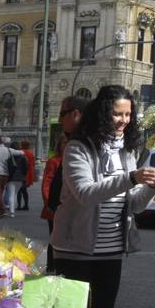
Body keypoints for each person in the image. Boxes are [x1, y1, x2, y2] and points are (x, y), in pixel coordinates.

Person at [49, 86, 155, 308]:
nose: (123, 120)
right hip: (74, 248)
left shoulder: (127, 151)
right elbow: (85, 194)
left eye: (128, 115)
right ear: (102, 114)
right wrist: (131, 178)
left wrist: (152, 186)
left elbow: (134, 205)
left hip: (111, 250)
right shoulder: (78, 148)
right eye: (117, 114)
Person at [43, 96, 87, 231]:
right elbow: (49, 185)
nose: (60, 120)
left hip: (71, 219)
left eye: (62, 114)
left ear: (75, 114)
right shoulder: (57, 159)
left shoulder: (80, 149)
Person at [18, 142, 37, 212]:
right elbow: (33, 164)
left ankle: (19, 205)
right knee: (24, 190)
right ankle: (26, 205)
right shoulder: (31, 153)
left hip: (21, 173)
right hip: (29, 173)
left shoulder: (20, 152)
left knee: (19, 190)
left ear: (22, 145)